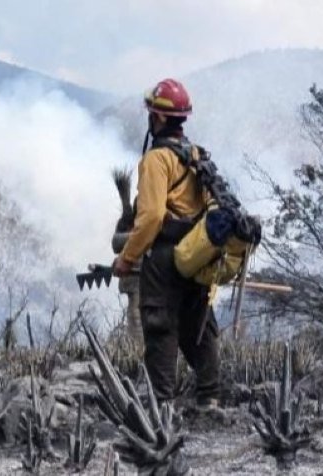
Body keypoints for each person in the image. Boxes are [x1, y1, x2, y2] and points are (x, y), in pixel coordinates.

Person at [114, 78, 220, 407]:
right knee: (198, 321)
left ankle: (160, 406)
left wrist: (127, 258)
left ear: (157, 119)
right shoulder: (197, 155)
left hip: (164, 256)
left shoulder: (156, 160)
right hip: (197, 252)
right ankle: (210, 397)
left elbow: (151, 219)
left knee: (160, 325)